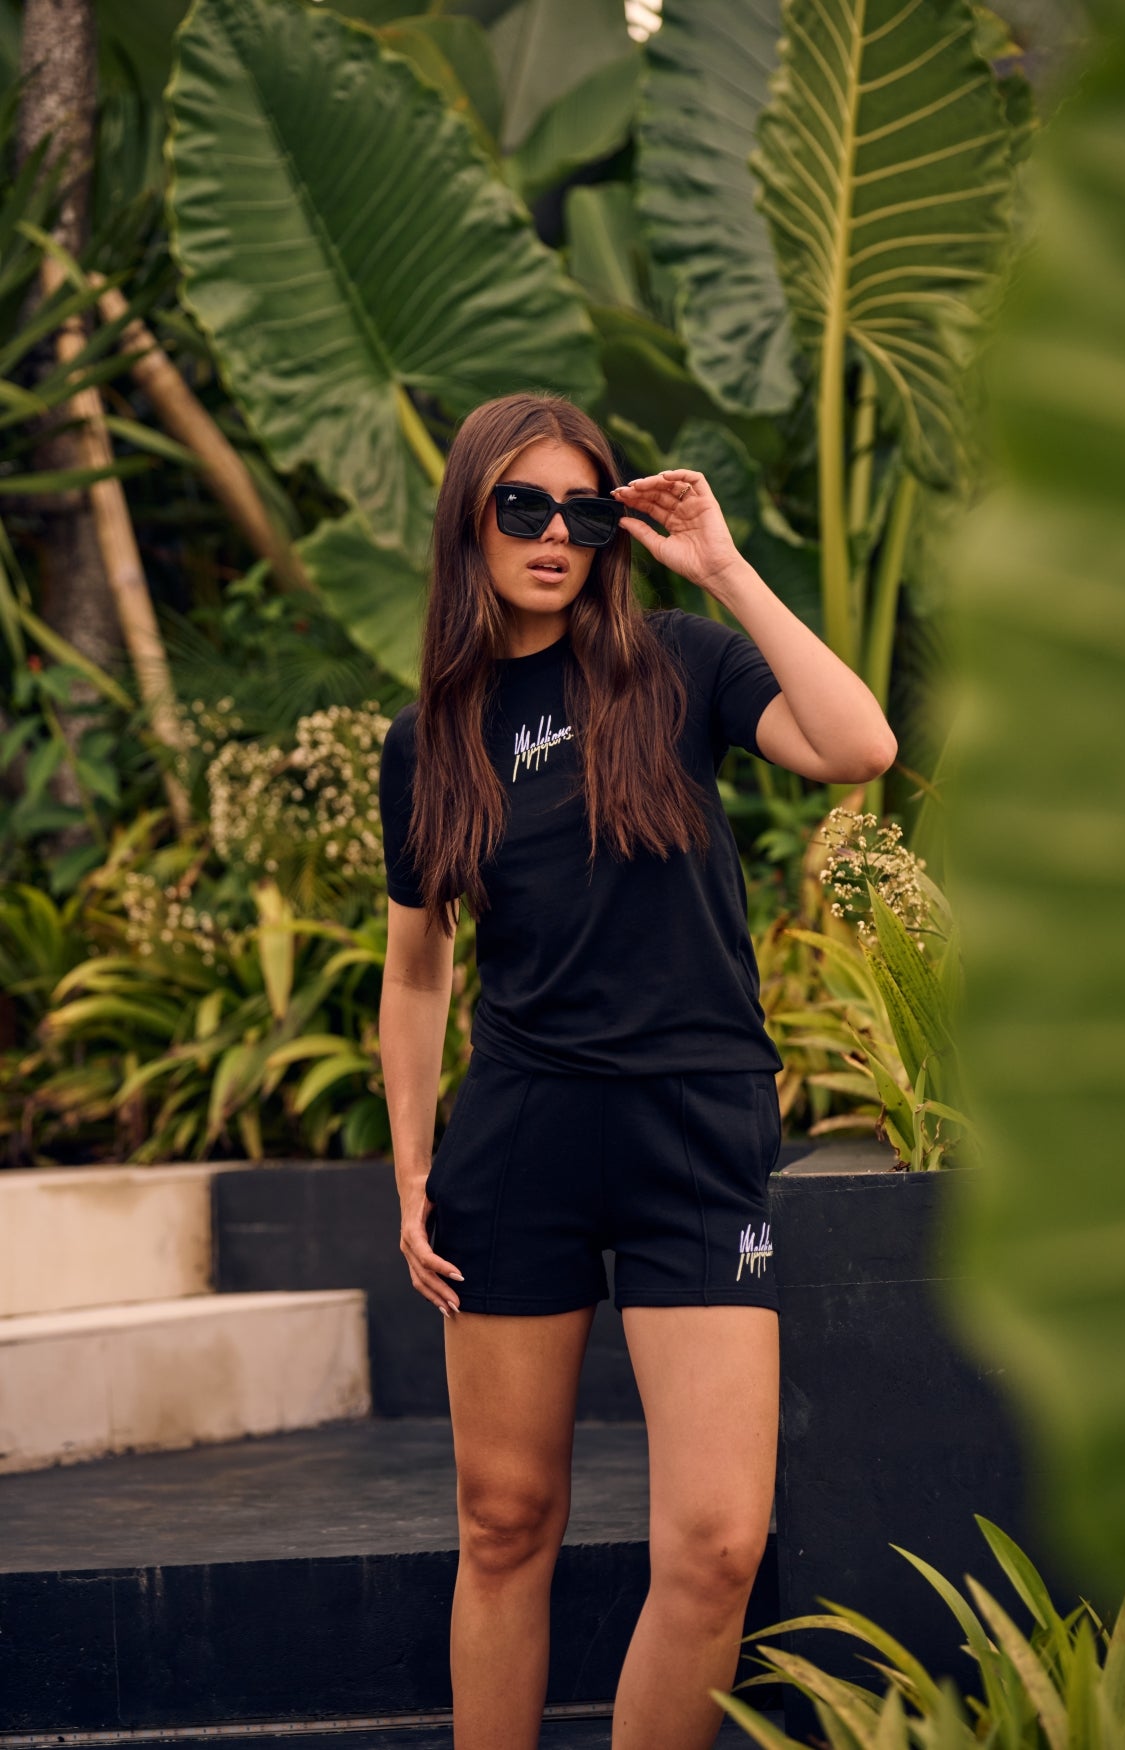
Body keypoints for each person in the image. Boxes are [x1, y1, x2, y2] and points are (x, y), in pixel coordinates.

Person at [377, 391, 897, 1750]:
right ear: (472, 522)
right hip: (521, 1139)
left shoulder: (678, 661)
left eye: (581, 512)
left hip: (696, 1128)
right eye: (523, 507)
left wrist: (722, 564)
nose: (554, 535)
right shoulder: (428, 739)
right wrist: (413, 1171)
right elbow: (418, 969)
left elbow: (858, 746)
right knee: (503, 1523)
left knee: (719, 1545)